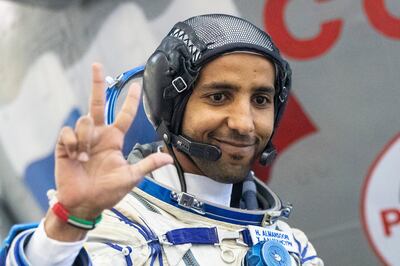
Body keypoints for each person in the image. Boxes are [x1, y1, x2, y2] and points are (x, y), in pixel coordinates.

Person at [1, 14, 323, 265]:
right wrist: (70, 221)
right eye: (219, 96)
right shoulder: (122, 233)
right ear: (170, 107)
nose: (244, 123)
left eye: (261, 100)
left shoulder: (290, 244)